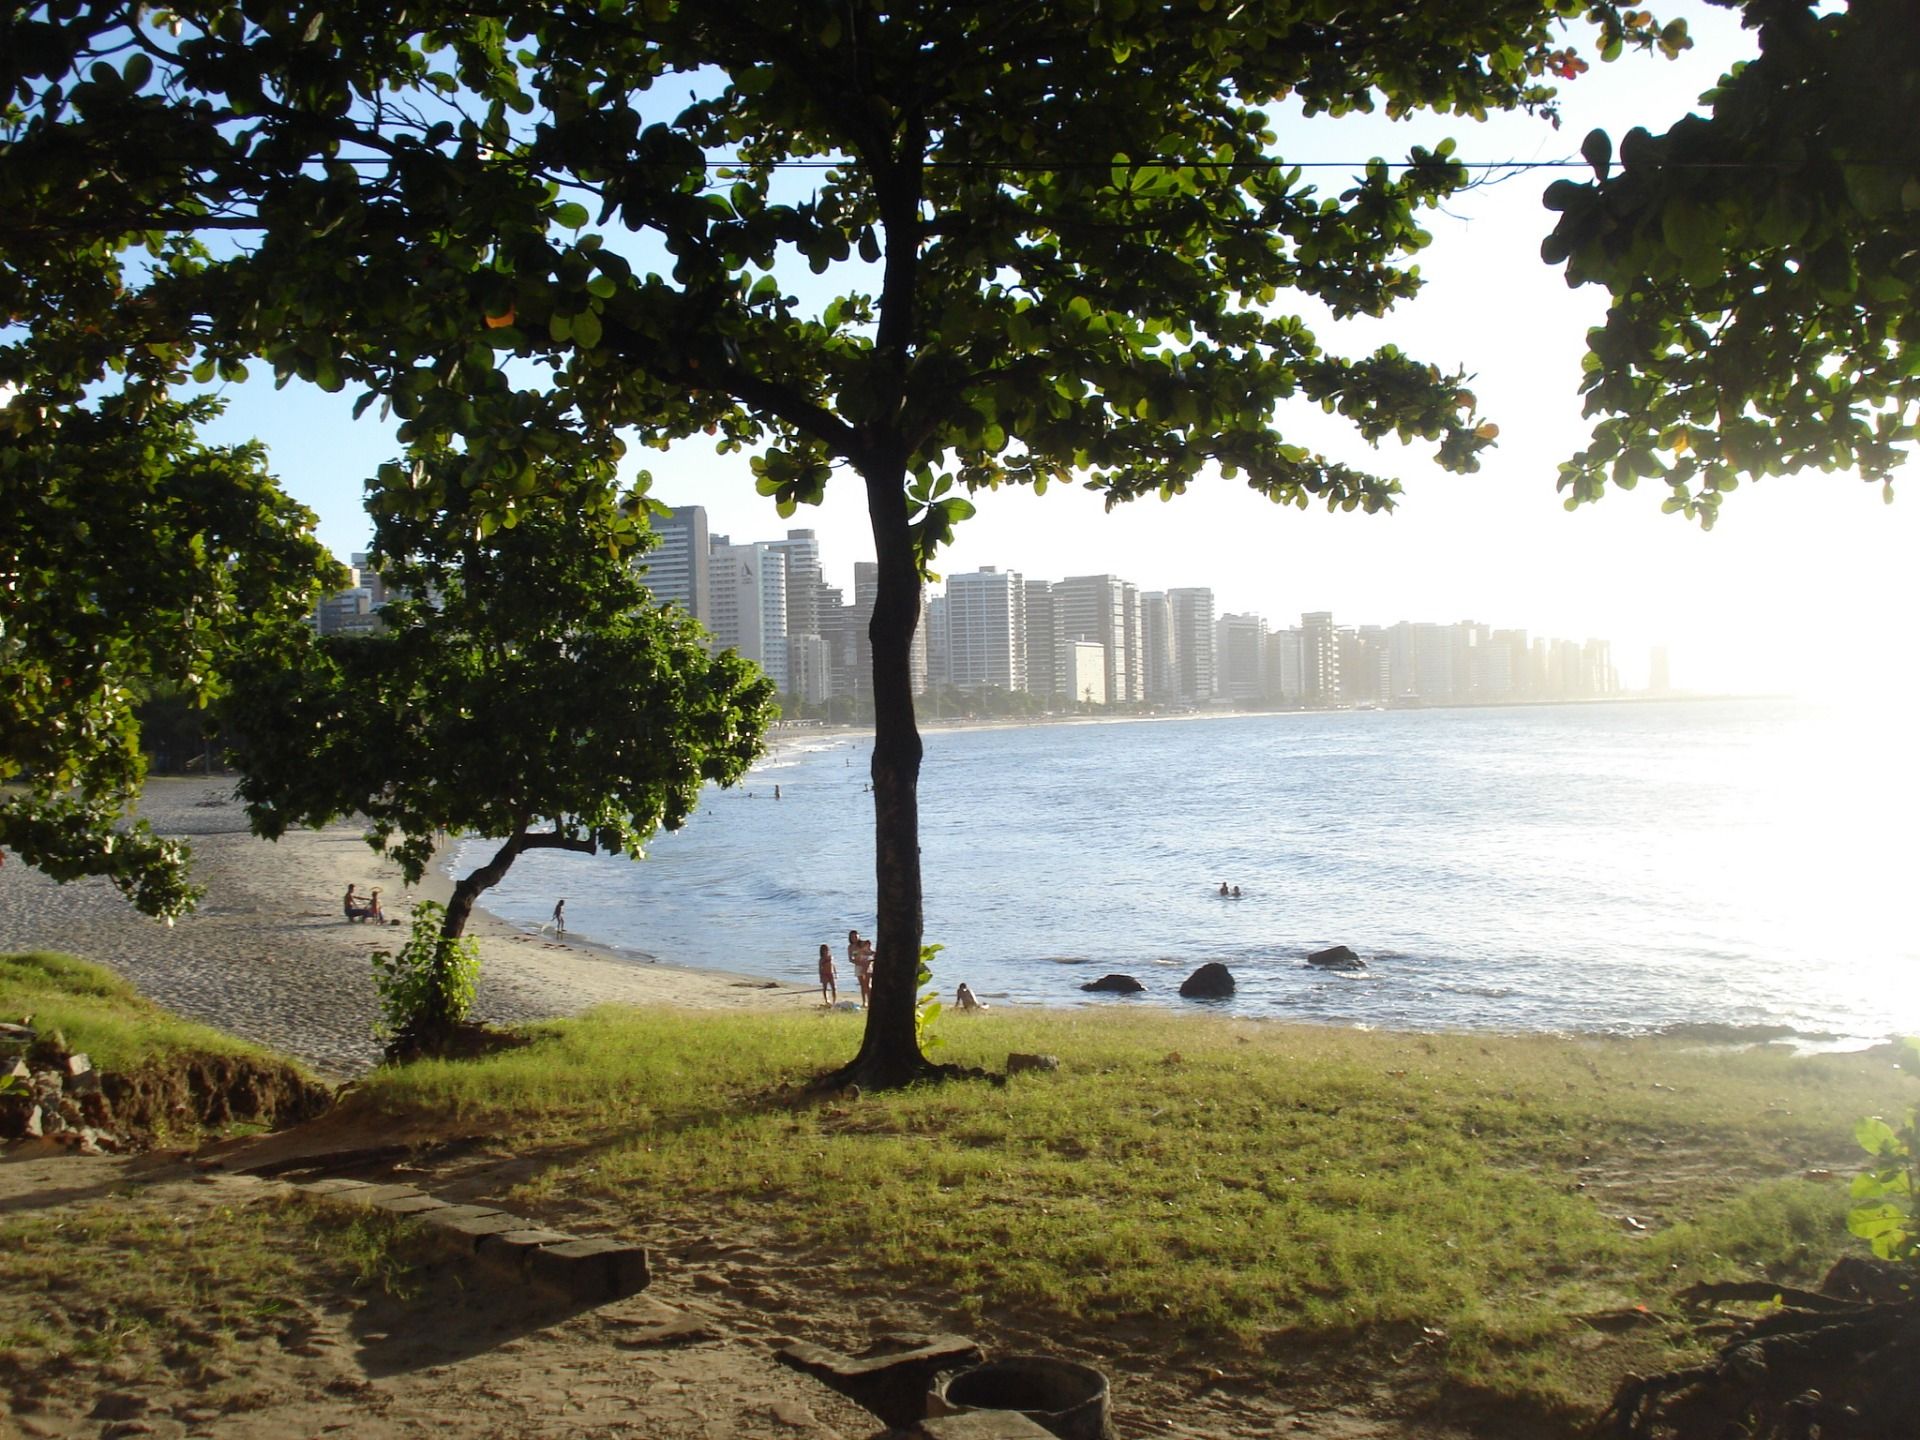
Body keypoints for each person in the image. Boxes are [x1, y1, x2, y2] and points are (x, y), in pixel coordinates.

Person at [848, 929, 873, 1007]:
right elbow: (850, 959)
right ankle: (864, 1002)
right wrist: (859, 963)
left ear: (858, 936)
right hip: (858, 965)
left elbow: (870, 952)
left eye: (856, 936)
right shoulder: (850, 947)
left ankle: (870, 1001)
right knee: (862, 985)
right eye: (852, 937)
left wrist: (869, 959)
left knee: (867, 984)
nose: (854, 938)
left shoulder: (863, 943)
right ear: (850, 938)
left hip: (867, 964)